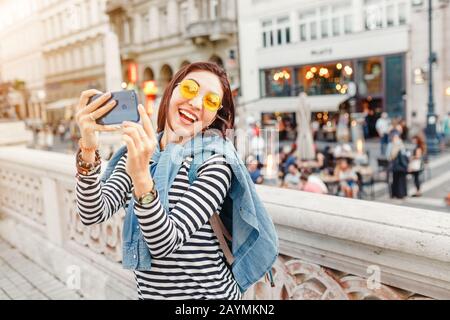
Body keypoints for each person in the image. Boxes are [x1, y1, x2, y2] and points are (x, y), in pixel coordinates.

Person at [74, 62, 277, 300]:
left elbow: (165, 242)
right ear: (172, 90)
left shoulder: (215, 163)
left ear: (214, 115)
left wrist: (141, 177)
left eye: (211, 101)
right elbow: (92, 212)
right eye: (191, 89)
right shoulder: (142, 151)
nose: (196, 103)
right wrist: (88, 147)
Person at [387, 132, 408, 199]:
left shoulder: (401, 144)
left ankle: (401, 193)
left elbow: (404, 154)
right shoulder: (390, 145)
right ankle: (396, 193)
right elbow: (389, 156)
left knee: (401, 180)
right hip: (395, 166)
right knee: (395, 180)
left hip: (400, 166)